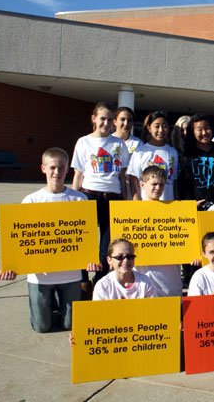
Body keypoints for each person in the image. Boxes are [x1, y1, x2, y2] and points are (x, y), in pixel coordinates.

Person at [0, 148, 88, 332]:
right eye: (52, 167)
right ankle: (48, 307)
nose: (57, 172)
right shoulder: (31, 201)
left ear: (67, 170)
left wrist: (89, 260)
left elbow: (86, 237)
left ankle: (60, 307)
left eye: (61, 167)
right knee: (41, 327)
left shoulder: (80, 200)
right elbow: (19, 238)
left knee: (70, 325)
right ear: (43, 168)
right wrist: (10, 264)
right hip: (40, 276)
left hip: (70, 274)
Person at [71, 102, 130, 281]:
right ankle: (82, 282)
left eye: (110, 119)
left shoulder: (119, 144)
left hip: (113, 197)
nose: (106, 123)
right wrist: (73, 199)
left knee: (107, 246)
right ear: (94, 119)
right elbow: (78, 174)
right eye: (102, 118)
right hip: (89, 195)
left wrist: (126, 201)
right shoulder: (83, 142)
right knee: (84, 242)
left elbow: (122, 176)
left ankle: (100, 279)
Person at [132, 166, 183, 297]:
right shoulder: (131, 213)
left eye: (161, 184)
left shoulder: (174, 211)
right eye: (154, 184)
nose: (158, 188)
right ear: (142, 184)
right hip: (144, 282)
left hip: (170, 283)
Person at [177, 114, 214, 211]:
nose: (204, 132)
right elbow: (183, 183)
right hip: (196, 208)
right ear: (193, 132)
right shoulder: (187, 155)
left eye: (207, 128)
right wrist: (191, 203)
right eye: (199, 129)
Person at [127, 111, 179, 201]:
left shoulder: (173, 152)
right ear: (149, 128)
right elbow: (134, 179)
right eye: (157, 126)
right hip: (146, 204)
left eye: (164, 126)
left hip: (168, 204)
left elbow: (174, 180)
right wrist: (137, 202)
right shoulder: (140, 151)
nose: (161, 130)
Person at [93, 239, 157, 300]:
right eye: (119, 257)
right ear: (109, 260)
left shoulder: (146, 283)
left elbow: (153, 309)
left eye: (130, 257)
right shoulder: (103, 285)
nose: (126, 261)